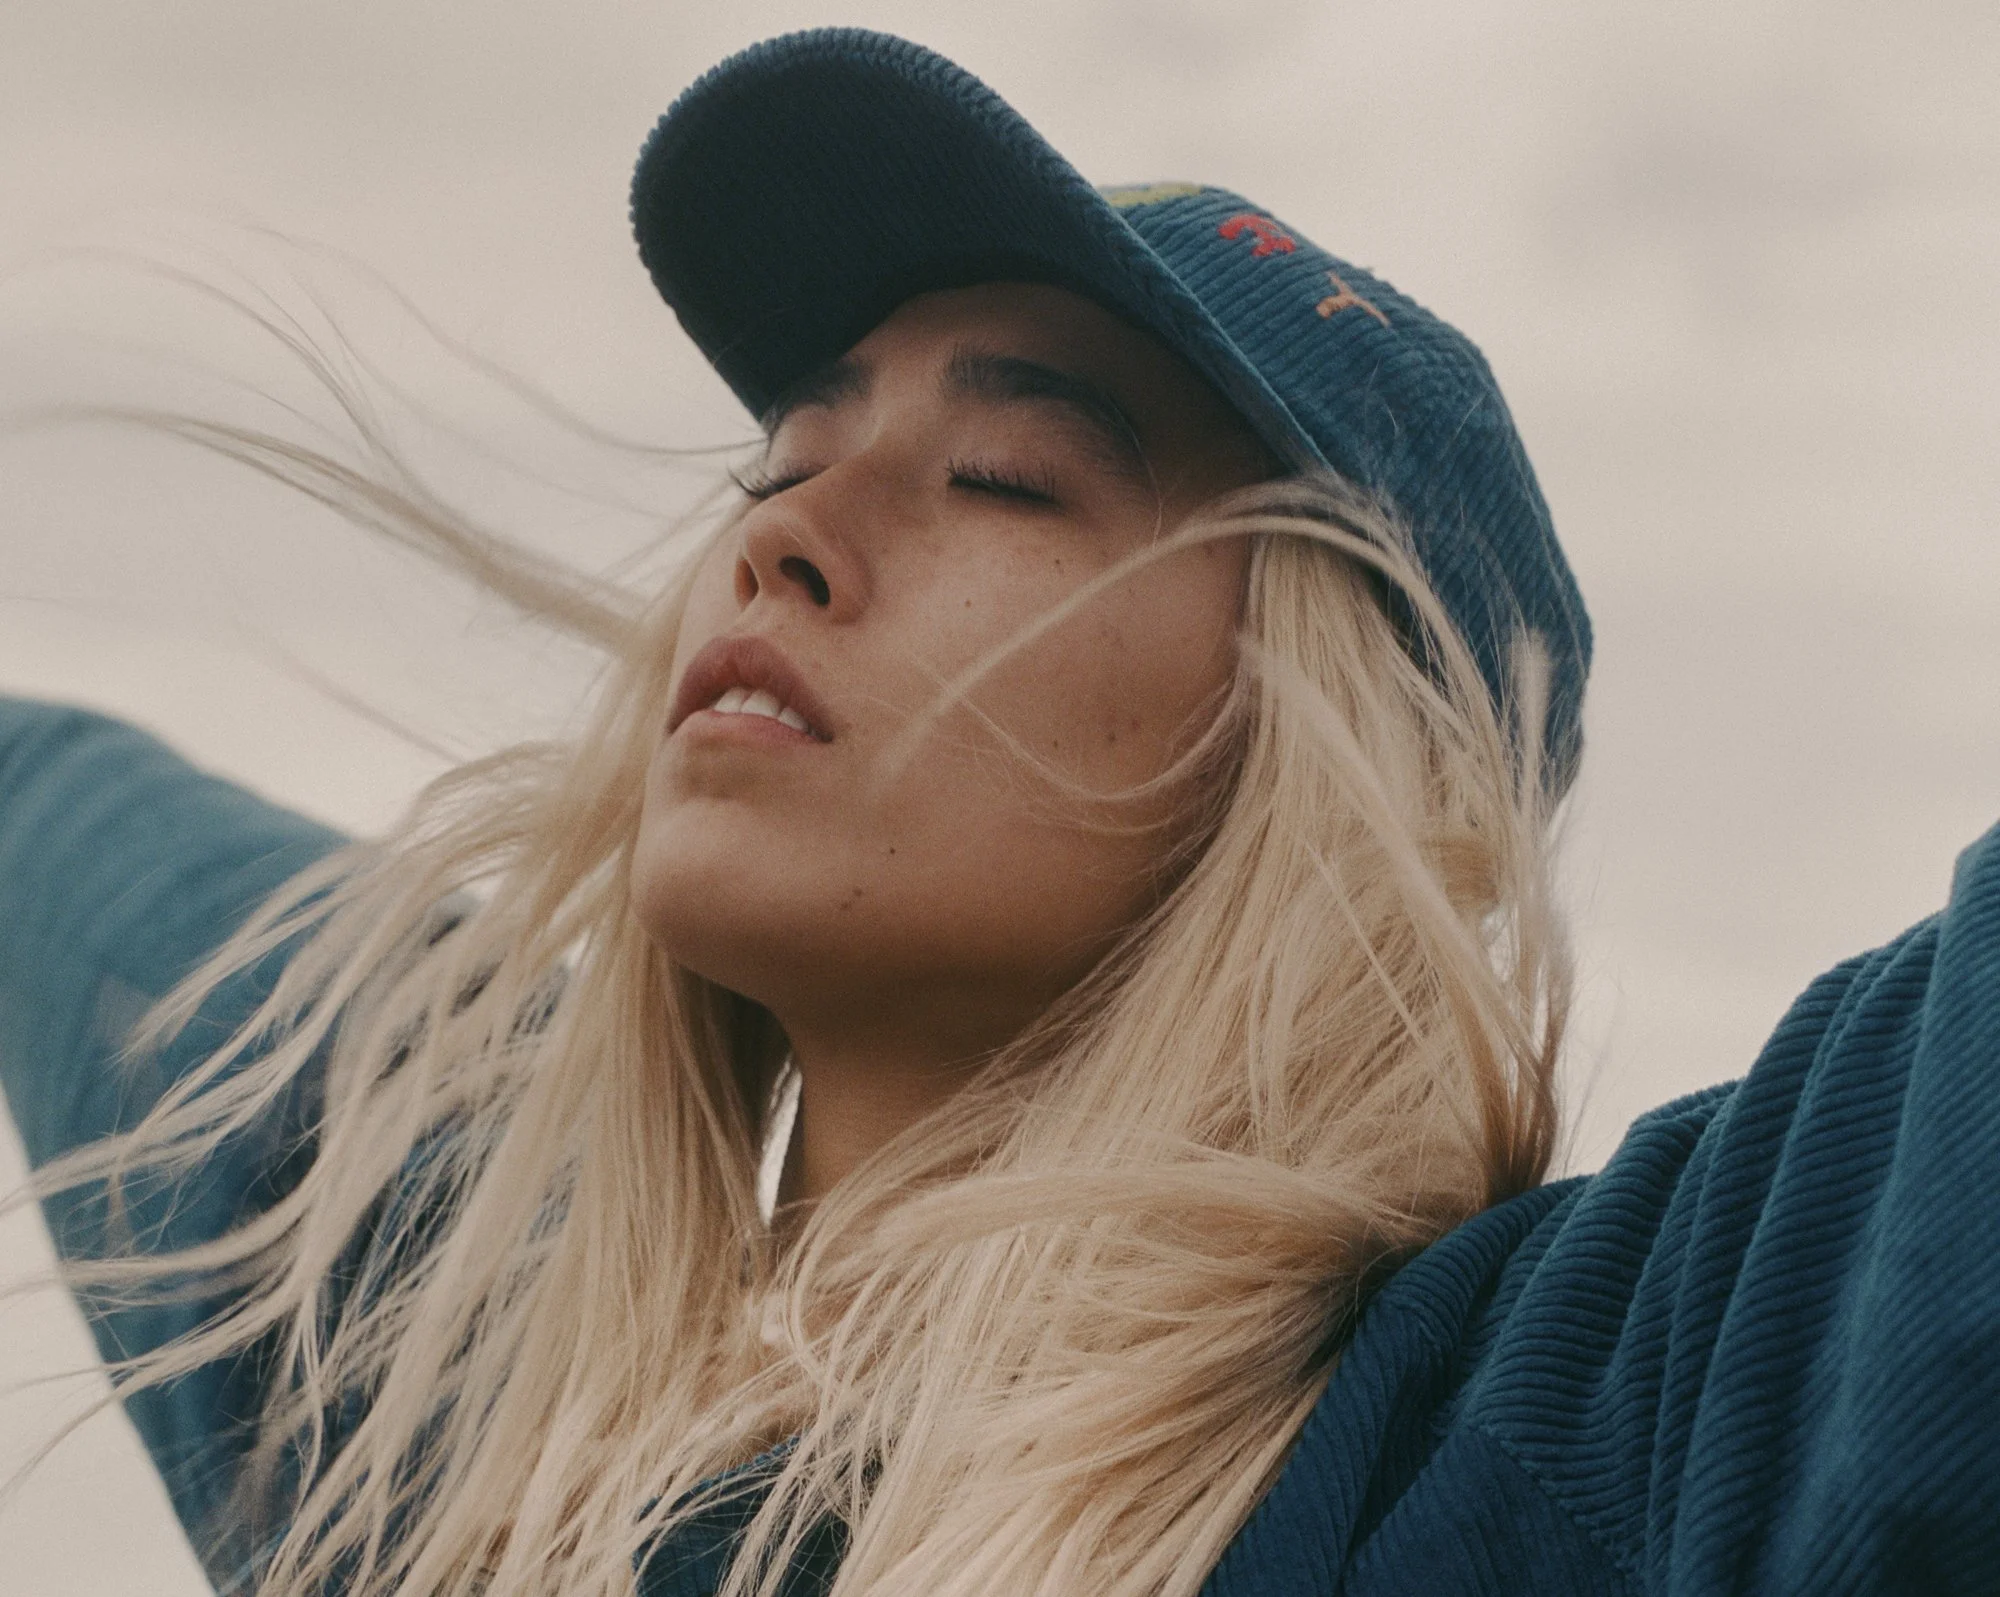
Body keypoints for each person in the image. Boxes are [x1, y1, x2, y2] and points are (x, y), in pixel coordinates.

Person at [2, 26, 1996, 1597]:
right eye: (778, 460)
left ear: (1306, 747)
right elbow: (57, 816)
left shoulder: (1560, 1431)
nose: (786, 533)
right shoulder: (434, 1383)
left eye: (1009, 481)